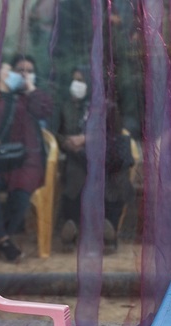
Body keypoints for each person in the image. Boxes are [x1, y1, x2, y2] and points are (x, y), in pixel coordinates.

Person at [0, 55, 53, 262]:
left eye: (28, 71)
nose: (21, 75)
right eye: (16, 71)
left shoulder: (29, 98)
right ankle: (5, 242)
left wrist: (30, 88)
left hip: (23, 161)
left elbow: (44, 111)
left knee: (22, 190)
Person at [55, 67, 134, 253]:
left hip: (104, 158)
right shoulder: (67, 106)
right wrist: (68, 143)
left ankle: (110, 232)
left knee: (117, 177)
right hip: (78, 156)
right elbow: (56, 133)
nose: (78, 86)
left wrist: (86, 139)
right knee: (75, 172)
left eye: (82, 81)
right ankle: (71, 227)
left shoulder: (108, 107)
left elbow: (115, 134)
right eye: (75, 81)